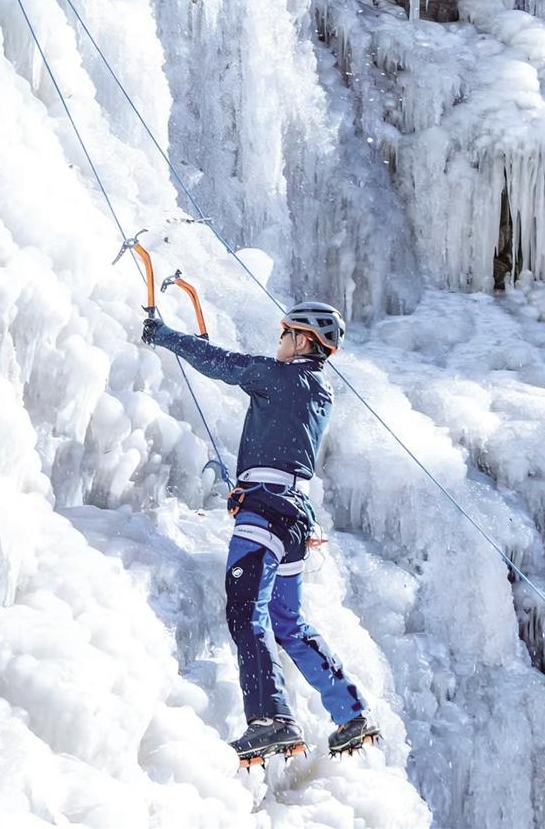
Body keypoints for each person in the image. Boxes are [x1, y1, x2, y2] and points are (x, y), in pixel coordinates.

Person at [142, 301, 377, 763]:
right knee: (288, 622)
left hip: (265, 513)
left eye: (285, 333)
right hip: (294, 516)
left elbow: (225, 365)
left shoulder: (282, 376)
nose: (279, 341)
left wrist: (164, 334)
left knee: (245, 611)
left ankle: (271, 719)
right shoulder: (319, 392)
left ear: (304, 340)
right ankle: (351, 713)